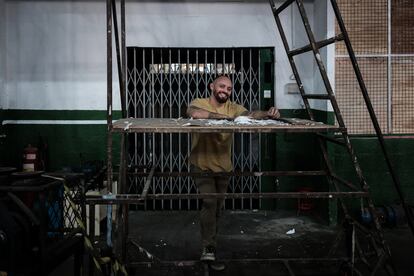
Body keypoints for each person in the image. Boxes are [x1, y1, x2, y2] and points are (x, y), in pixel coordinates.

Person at [186, 75, 280, 262]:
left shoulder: (234, 107)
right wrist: (224, 118)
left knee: (219, 207)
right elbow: (194, 113)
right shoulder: (200, 102)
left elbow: (249, 115)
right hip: (201, 164)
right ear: (212, 86)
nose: (225, 91)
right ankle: (208, 247)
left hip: (224, 167)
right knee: (210, 202)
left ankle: (211, 242)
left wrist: (267, 114)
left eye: (229, 89)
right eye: (221, 86)